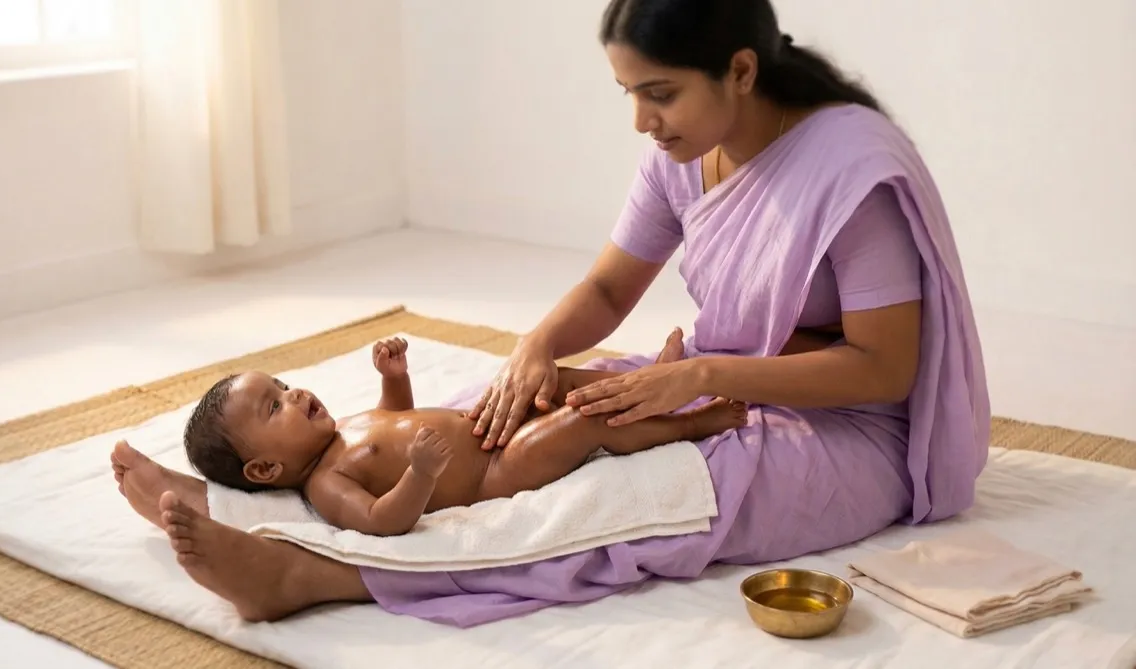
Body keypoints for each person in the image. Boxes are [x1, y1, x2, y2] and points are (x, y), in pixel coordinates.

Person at [114, 0, 989, 626]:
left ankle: (300, 576)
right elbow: (611, 292)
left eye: (660, 92)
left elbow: (886, 368)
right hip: (712, 379)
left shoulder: (847, 169)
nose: (644, 120)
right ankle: (241, 496)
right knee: (495, 414)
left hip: (843, 433)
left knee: (606, 500)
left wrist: (699, 374)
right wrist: (535, 346)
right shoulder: (684, 149)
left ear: (742, 70)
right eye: (629, 95)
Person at [178, 336, 746, 537]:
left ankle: (643, 383)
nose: (296, 393)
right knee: (584, 416)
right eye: (275, 405)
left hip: (484, 426)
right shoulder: (328, 483)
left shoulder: (342, 430)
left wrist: (393, 381)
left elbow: (394, 417)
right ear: (264, 471)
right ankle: (695, 421)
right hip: (498, 471)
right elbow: (382, 522)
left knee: (550, 382)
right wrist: (421, 475)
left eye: (283, 384)